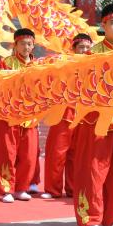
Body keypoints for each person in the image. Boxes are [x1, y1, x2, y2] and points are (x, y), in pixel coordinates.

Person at [73, 4, 113, 226]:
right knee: (95, 171)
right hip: (97, 120)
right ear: (103, 25)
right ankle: (91, 217)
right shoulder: (93, 54)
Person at [40, 32, 92, 199]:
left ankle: (73, 188)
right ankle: (53, 189)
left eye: (87, 47)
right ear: (74, 49)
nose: (84, 50)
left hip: (83, 115)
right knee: (57, 152)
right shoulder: (63, 64)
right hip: (63, 112)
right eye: (81, 47)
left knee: (77, 155)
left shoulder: (93, 66)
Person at [0, 28, 40, 203]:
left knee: (28, 155)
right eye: (22, 43)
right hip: (8, 115)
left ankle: (21, 188)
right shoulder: (6, 62)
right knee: (7, 153)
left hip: (30, 116)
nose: (26, 47)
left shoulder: (39, 66)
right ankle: (7, 189)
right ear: (15, 45)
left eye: (29, 44)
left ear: (33, 45)